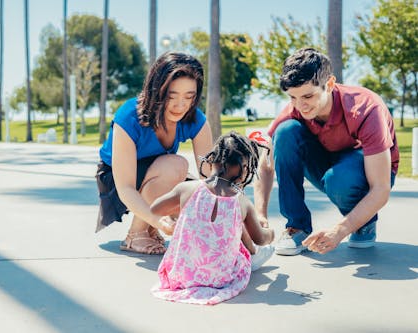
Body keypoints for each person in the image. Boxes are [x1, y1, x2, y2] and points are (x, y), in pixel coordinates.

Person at [254, 48, 399, 256]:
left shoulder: (366, 108)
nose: (300, 105)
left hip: (366, 172)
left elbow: (381, 188)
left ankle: (363, 223)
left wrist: (339, 231)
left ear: (329, 84)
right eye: (292, 97)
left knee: (339, 179)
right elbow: (265, 165)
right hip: (328, 162)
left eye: (308, 96)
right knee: (284, 133)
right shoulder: (295, 109)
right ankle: (297, 227)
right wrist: (260, 215)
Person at [95, 52, 213, 255]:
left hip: (159, 175)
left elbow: (210, 178)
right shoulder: (129, 115)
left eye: (189, 97)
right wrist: (157, 219)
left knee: (193, 196)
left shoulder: (196, 119)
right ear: (156, 90)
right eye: (171, 96)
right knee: (176, 164)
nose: (180, 105)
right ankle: (136, 234)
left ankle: (150, 229)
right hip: (117, 180)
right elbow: (126, 188)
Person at [150, 131, 275, 305]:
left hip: (183, 276)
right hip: (221, 279)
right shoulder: (241, 201)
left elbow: (155, 208)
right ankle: (255, 256)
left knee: (227, 226)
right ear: (244, 169)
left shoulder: (187, 189)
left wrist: (183, 212)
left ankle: (251, 254)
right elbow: (260, 238)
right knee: (235, 227)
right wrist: (271, 233)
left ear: (211, 159)